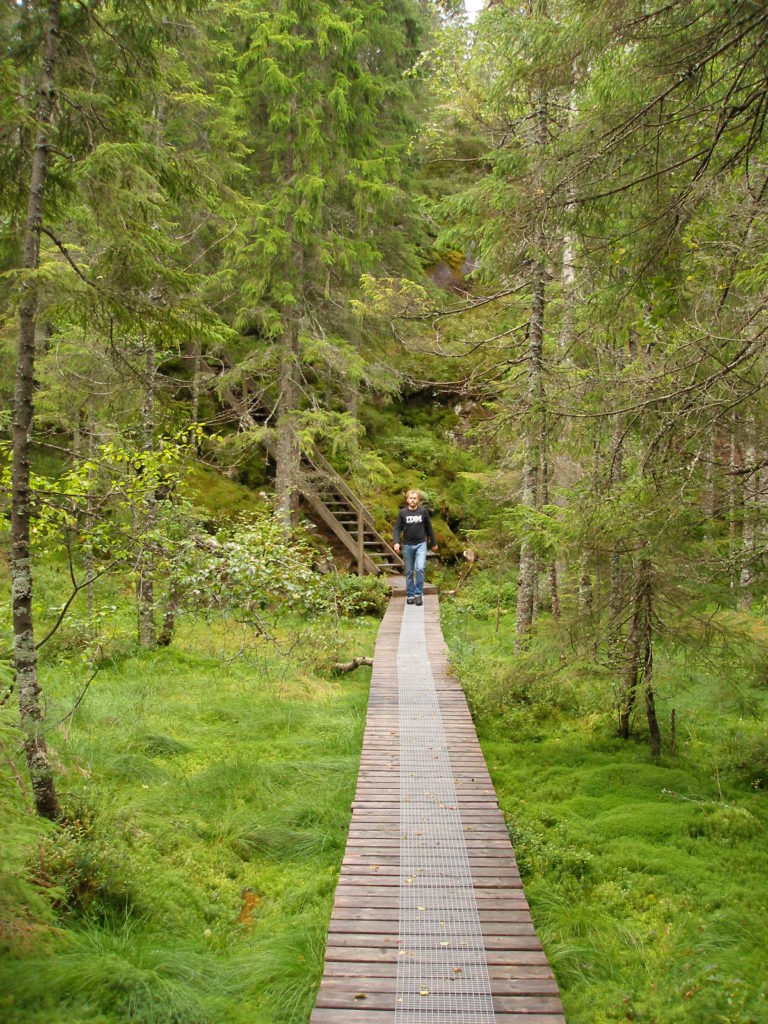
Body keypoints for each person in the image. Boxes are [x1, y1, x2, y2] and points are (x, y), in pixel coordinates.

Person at [393, 488, 438, 606]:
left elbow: (429, 528)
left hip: (421, 544)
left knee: (420, 568)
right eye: (410, 498)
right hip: (407, 545)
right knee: (409, 572)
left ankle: (418, 594)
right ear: (407, 500)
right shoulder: (402, 513)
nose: (412, 500)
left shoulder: (423, 512)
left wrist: (433, 543)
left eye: (415, 498)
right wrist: (396, 542)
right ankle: (410, 595)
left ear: (418, 500)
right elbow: (397, 528)